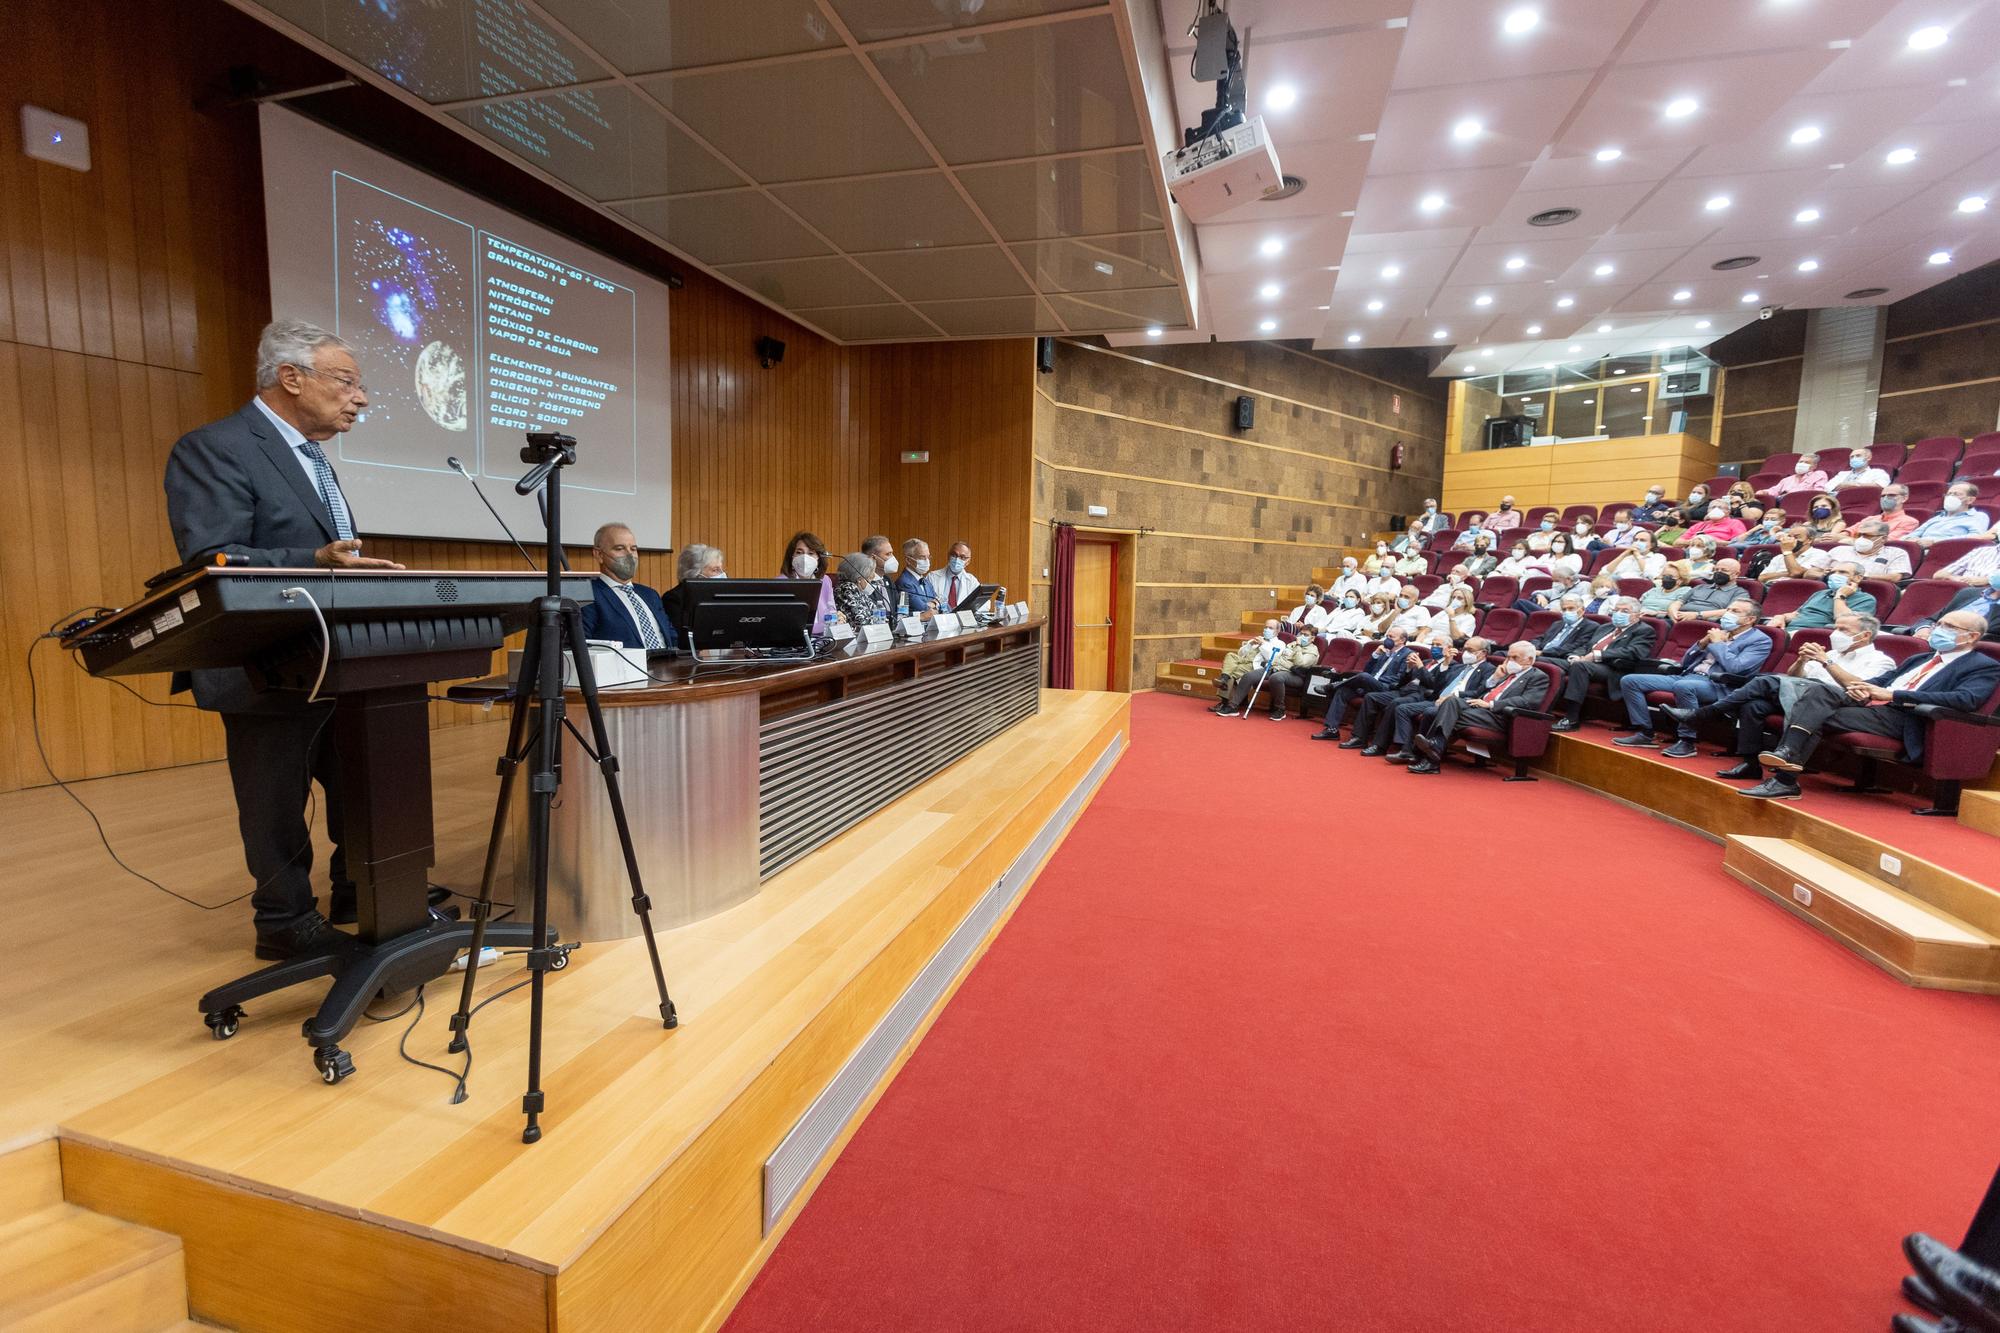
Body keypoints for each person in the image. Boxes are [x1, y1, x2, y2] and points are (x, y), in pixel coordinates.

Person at [162, 318, 404, 961]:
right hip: (262, 660)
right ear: (290, 377)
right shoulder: (216, 446)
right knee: (276, 802)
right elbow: (212, 557)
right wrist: (316, 558)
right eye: (346, 381)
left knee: (358, 781)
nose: (361, 397)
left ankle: (357, 889)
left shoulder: (312, 458)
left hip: (333, 658)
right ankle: (284, 919)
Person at [1741, 611, 2000, 801]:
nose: (1938, 628)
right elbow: (1879, 682)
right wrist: (1863, 687)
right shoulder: (1921, 658)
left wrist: (1893, 695)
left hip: (1908, 716)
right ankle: (1786, 768)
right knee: (1818, 693)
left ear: (1971, 637)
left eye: (1949, 626)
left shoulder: (1982, 665)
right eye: (1939, 623)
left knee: (1814, 711)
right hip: (1876, 708)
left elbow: (1966, 700)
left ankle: (1785, 773)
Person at [1669, 613, 1896, 779]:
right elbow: (1794, 677)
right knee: (1755, 705)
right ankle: (1750, 763)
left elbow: (1859, 688)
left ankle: (1704, 714)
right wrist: (1802, 660)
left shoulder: (1881, 660)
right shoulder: (1832, 652)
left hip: (1836, 701)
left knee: (1763, 681)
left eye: (1844, 630)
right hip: (1803, 692)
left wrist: (1826, 662)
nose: (1836, 634)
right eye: (1835, 628)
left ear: (1865, 635)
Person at [1613, 598, 1772, 757]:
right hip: (1689, 676)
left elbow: (1737, 668)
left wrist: (1718, 645)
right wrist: (1702, 644)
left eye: (1735, 611)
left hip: (1719, 685)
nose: (1728, 614)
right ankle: (1645, 733)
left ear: (1750, 619)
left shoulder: (1760, 640)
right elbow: (1685, 662)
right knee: (1630, 680)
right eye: (1728, 609)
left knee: (1685, 686)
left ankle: (1687, 741)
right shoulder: (1719, 632)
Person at [1405, 640, 1547, 774]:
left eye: (1515, 658)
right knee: (1451, 701)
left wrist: (1491, 704)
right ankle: (1434, 748)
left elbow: (1527, 701)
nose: (1509, 661)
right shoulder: (1506, 672)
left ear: (1529, 660)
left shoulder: (1538, 677)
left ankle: (1430, 755)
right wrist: (1495, 678)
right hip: (1478, 707)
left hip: (1497, 715)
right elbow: (1481, 691)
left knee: (1443, 713)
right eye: (1508, 657)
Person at [1360, 638, 1498, 762]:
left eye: (1470, 650)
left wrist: (1454, 695)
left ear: (1483, 652)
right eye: (1464, 649)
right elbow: (1438, 685)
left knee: (1427, 711)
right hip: (1436, 699)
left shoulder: (1489, 669)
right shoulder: (1460, 667)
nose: (1465, 653)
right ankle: (1404, 750)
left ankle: (1414, 752)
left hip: (1455, 704)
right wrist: (1446, 664)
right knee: (1402, 709)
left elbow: (1479, 692)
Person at [1550, 598, 1658, 730]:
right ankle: (1539, 708)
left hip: (1613, 667)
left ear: (1637, 614)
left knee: (1580, 666)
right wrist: (1576, 655)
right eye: (1616, 610)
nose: (1619, 613)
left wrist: (1597, 655)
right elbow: (1587, 646)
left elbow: (1634, 652)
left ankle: (1571, 719)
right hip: (1587, 662)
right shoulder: (1605, 627)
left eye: (1625, 611)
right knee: (1544, 662)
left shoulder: (1644, 630)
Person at [580, 522, 675, 650]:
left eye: (633, 549)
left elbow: (672, 638)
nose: (629, 555)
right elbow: (583, 646)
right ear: (599, 555)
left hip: (667, 665)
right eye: (619, 548)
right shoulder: (587, 594)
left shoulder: (650, 595)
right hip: (623, 668)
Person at [1310, 628, 1413, 739]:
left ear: (1402, 640)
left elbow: (1399, 678)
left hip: (1386, 689)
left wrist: (1374, 680)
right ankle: (1331, 729)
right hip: (1368, 683)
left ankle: (1333, 686)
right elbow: (1367, 670)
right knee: (1343, 691)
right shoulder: (1384, 651)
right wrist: (1375, 655)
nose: (1387, 639)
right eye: (1387, 636)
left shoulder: (1407, 655)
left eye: (1391, 637)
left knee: (1364, 677)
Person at [1216, 626, 1320, 719]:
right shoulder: (1291, 644)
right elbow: (1281, 657)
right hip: (1275, 668)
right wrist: (1270, 662)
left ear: (1313, 638)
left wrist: (1297, 647)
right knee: (1249, 676)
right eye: (1301, 634)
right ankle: (1233, 706)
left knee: (1276, 678)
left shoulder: (1313, 651)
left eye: (1306, 635)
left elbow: (1300, 663)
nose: (1302, 636)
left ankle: (1280, 709)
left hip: (1294, 675)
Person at [1764, 564, 1875, 629]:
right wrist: (1781, 617)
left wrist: (1840, 595)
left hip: (1814, 635)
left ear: (1858, 578)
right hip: (1788, 630)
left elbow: (1843, 622)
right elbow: (1797, 614)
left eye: (1842, 572)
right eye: (1832, 572)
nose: (1834, 575)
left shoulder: (1866, 599)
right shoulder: (1820, 593)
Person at [782, 531, 838, 633]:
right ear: (791, 557)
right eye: (799, 552)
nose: (804, 558)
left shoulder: (825, 581)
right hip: (794, 643)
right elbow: (787, 625)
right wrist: (825, 626)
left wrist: (837, 619)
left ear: (819, 558)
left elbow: (831, 612)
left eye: (811, 553)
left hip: (823, 641)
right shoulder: (781, 582)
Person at [1916, 572, 2000, 639]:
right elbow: (1931, 619)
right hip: (1931, 640)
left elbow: (1991, 636)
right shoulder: (1969, 593)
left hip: (1969, 651)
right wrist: (1923, 629)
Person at [664, 542, 726, 633]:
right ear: (695, 573)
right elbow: (680, 636)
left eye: (721, 569)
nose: (722, 574)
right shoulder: (674, 599)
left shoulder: (722, 594)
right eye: (715, 570)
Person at [1908, 482, 1991, 547]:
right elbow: (1910, 536)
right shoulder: (1937, 517)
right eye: (1948, 494)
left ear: (1970, 500)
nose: (1950, 497)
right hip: (1919, 549)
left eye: (1956, 494)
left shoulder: (1978, 516)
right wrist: (1911, 540)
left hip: (1948, 550)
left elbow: (1975, 537)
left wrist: (1935, 541)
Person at [1215, 620, 1283, 697]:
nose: (1267, 630)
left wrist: (1263, 644)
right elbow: (1240, 653)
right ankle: (1224, 679)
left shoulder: (1280, 644)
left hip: (1254, 665)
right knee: (1230, 655)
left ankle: (1224, 702)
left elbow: (1272, 658)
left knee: (1230, 671)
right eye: (1266, 627)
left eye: (1270, 628)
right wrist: (1250, 644)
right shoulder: (1258, 638)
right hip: (1244, 660)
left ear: (1278, 631)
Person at [1826, 521, 1912, 579]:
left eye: (1867, 535)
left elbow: (1895, 577)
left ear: (1883, 538)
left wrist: (1858, 576)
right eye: (1859, 535)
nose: (1861, 538)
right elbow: (1817, 571)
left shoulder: (1896, 553)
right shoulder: (1838, 550)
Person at [1530, 595, 1604, 660]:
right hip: (1539, 653)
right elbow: (1540, 638)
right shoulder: (1557, 624)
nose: (1567, 612)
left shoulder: (1590, 626)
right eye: (1564, 609)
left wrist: (1542, 653)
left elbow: (1572, 647)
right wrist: (1532, 649)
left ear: (1582, 610)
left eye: (1571, 608)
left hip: (1559, 657)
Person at [1671, 560, 1746, 623]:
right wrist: (1673, 612)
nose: (1718, 572)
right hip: (1679, 618)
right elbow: (1679, 602)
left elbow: (1730, 611)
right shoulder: (1700, 586)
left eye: (1724, 570)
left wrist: (1697, 615)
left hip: (1705, 621)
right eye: (1716, 570)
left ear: (1736, 574)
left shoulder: (1740, 592)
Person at [1841, 483, 1919, 542]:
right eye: (1883, 496)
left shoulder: (1909, 522)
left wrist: (1849, 540)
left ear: (1904, 498)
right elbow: (1849, 531)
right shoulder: (1870, 519)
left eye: (1891, 495)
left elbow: (1885, 541)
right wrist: (1840, 536)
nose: (1885, 499)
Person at [928, 540, 983, 613]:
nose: (957, 559)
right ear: (948, 556)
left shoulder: (971, 580)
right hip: (939, 619)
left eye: (962, 557)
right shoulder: (933, 577)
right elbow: (926, 602)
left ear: (968, 562)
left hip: (962, 619)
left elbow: (984, 603)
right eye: (954, 555)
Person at [831, 552, 882, 628]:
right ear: (859, 579)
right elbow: (861, 622)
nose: (872, 580)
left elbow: (877, 614)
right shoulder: (846, 589)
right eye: (869, 578)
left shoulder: (860, 590)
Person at [894, 537, 942, 618]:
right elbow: (922, 608)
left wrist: (935, 603)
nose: (927, 561)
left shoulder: (926, 581)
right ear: (908, 560)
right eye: (922, 557)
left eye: (928, 557)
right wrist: (935, 603)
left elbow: (943, 604)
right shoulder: (904, 582)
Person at [860, 534, 902, 623]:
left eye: (892, 553)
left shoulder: (888, 580)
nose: (893, 558)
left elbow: (898, 610)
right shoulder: (863, 582)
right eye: (888, 554)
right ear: (873, 558)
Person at [1515, 568, 1582, 614]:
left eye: (1556, 581)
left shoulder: (1583, 586)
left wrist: (1562, 610)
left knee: (1520, 602)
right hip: (1546, 610)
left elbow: (1584, 602)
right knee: (1532, 599)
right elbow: (1535, 592)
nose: (1554, 583)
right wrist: (1540, 595)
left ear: (1568, 579)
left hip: (1559, 613)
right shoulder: (1559, 589)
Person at [1682, 499, 1747, 544]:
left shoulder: (1735, 523)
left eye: (1720, 507)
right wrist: (1697, 541)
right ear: (1707, 511)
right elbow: (1677, 542)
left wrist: (1711, 542)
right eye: (1713, 507)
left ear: (1728, 512)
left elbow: (1737, 543)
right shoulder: (1700, 525)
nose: (1716, 509)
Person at [1826, 447, 1891, 492]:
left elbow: (1881, 486)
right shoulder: (1842, 474)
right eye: (1852, 457)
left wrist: (1854, 485)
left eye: (1858, 456)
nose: (1854, 459)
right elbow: (1828, 487)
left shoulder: (1878, 472)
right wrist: (1844, 485)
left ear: (1868, 457)